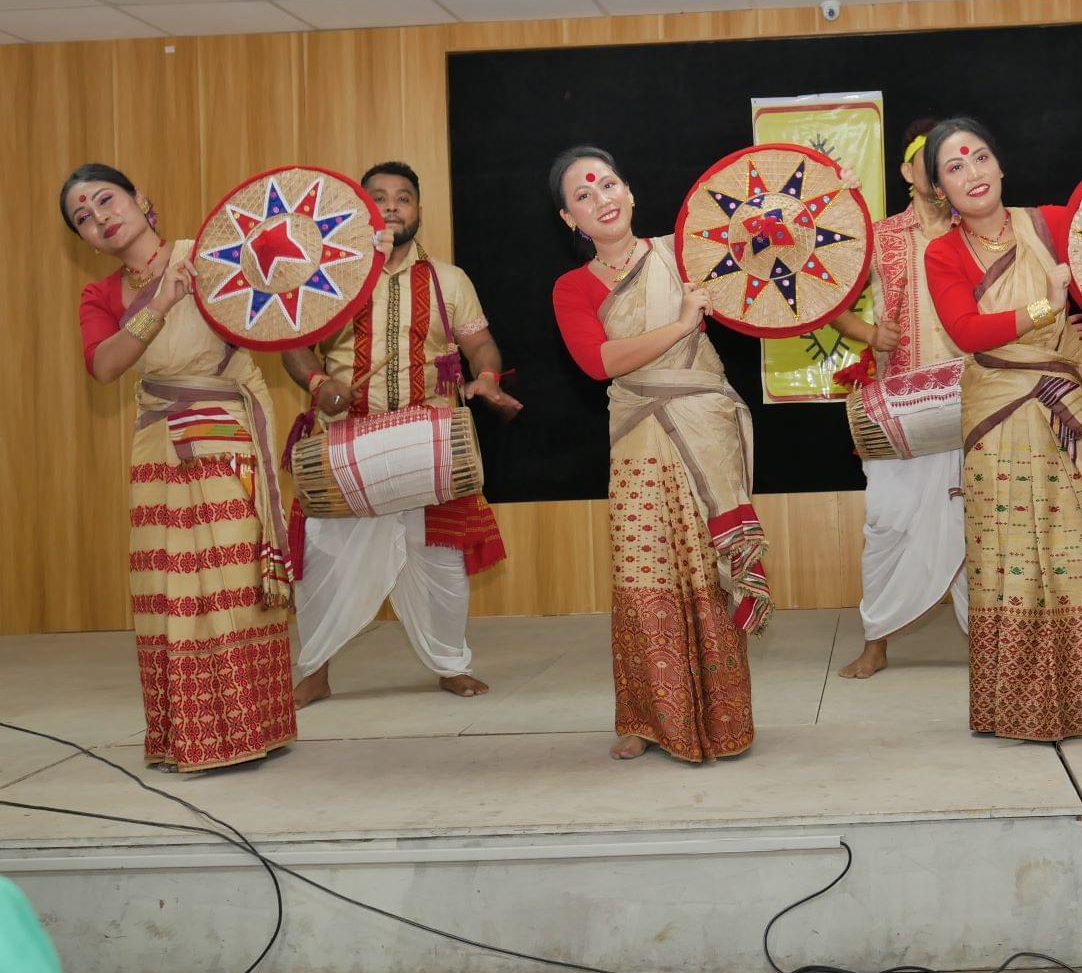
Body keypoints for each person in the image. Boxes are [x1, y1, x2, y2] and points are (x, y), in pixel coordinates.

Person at [67, 163, 296, 770]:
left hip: (226, 433)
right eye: (83, 218)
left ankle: (251, 729)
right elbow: (105, 366)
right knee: (167, 590)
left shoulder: (210, 254)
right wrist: (162, 301)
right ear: (86, 241)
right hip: (158, 447)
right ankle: (185, 737)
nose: (100, 217)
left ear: (143, 200)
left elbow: (286, 295)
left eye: (106, 199)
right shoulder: (100, 295)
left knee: (229, 583)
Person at [550, 146, 767, 762]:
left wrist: (828, 197)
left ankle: (724, 719)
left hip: (705, 424)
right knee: (645, 574)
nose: (602, 199)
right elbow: (598, 362)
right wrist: (681, 323)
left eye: (609, 184)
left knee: (708, 570)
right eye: (583, 196)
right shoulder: (571, 286)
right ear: (571, 220)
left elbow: (766, 243)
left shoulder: (683, 252)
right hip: (640, 434)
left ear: (632, 193)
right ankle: (648, 717)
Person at [283, 161, 518, 710]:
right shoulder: (328, 276)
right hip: (347, 444)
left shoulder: (448, 279)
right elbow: (294, 345)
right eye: (379, 198)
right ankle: (314, 670)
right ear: (360, 210)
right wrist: (318, 382)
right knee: (325, 562)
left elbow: (480, 346)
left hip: (428, 447)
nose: (391, 206)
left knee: (439, 561)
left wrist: (485, 379)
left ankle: (449, 664)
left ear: (418, 211)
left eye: (404, 198)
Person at [921, 118, 1082, 742]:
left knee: (1079, 553)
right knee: (1009, 561)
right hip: (998, 417)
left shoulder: (1053, 225)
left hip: (1066, 411)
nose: (973, 173)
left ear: (1001, 166)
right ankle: (1016, 709)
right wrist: (1047, 308)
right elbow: (967, 332)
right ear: (939, 190)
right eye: (955, 167)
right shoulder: (942, 252)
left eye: (981, 157)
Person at [830, 118, 970, 679]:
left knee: (979, 520)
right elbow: (828, 303)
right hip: (900, 408)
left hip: (977, 399)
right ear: (908, 170)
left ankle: (987, 636)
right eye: (926, 160)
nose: (936, 171)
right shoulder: (880, 236)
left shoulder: (981, 231)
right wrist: (868, 335)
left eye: (949, 161)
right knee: (887, 523)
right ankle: (877, 640)